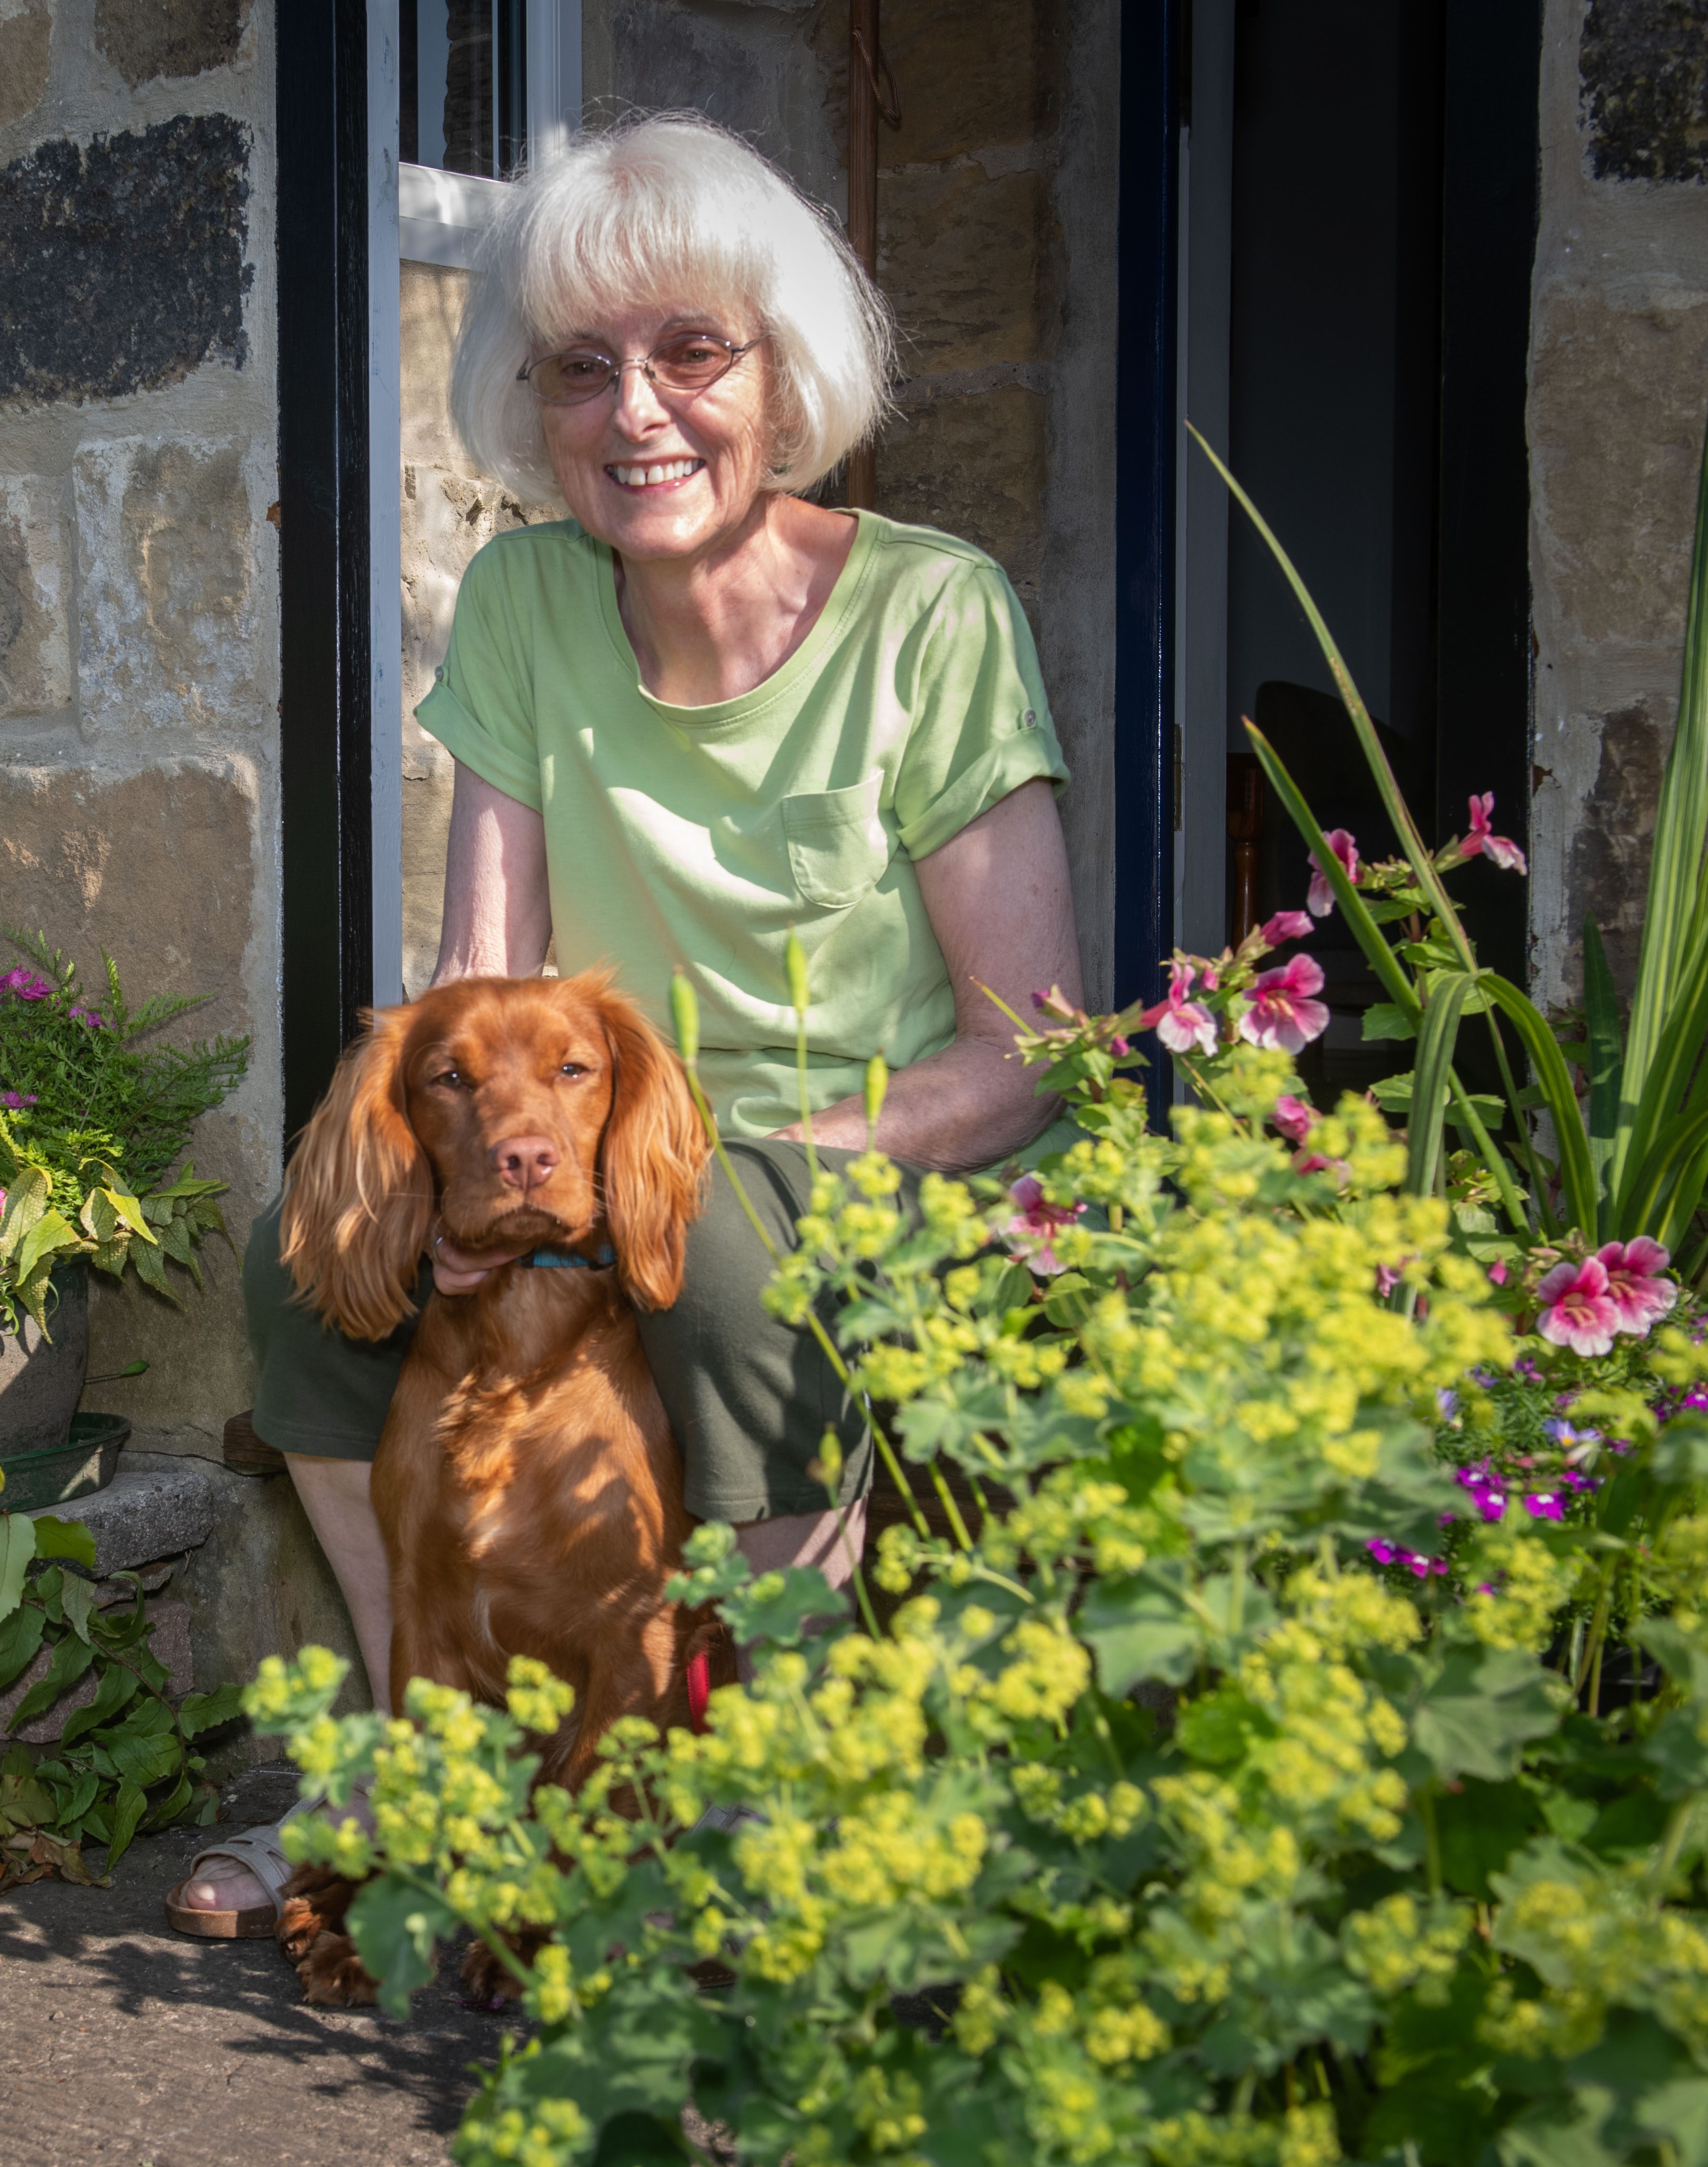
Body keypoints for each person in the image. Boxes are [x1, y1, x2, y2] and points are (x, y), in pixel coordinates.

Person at [164, 113, 1082, 1938]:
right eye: (584, 368)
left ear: (783, 372)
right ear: (537, 405)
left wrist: (727, 1161)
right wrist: (436, 1171)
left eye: (692, 353)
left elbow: (1026, 1050)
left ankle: (759, 1796)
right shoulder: (520, 597)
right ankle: (411, 1761)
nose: (638, 412)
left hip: (865, 1155)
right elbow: (480, 982)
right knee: (312, 1260)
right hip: (595, 1141)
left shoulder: (930, 611)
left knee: (727, 1253)